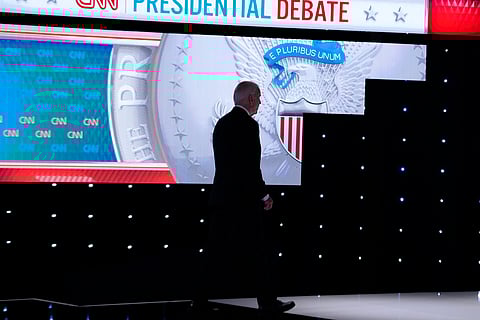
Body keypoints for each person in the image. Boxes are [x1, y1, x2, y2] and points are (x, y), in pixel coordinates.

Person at [204, 81, 295, 315]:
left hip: (221, 200)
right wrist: (264, 194)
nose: (262, 102)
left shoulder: (222, 124)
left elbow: (227, 166)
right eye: (260, 97)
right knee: (260, 253)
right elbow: (249, 167)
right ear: (251, 99)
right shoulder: (248, 125)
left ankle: (198, 299)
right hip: (243, 204)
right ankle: (267, 302)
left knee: (214, 255)